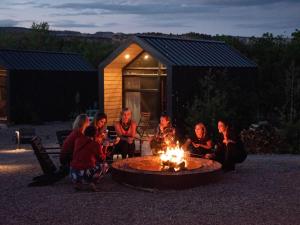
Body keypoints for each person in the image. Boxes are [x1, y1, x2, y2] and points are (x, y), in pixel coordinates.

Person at [70, 125, 109, 191]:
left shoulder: (78, 140)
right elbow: (102, 159)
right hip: (85, 172)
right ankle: (92, 182)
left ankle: (79, 183)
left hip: (73, 172)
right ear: (95, 134)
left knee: (89, 162)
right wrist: (105, 147)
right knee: (105, 165)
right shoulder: (95, 144)